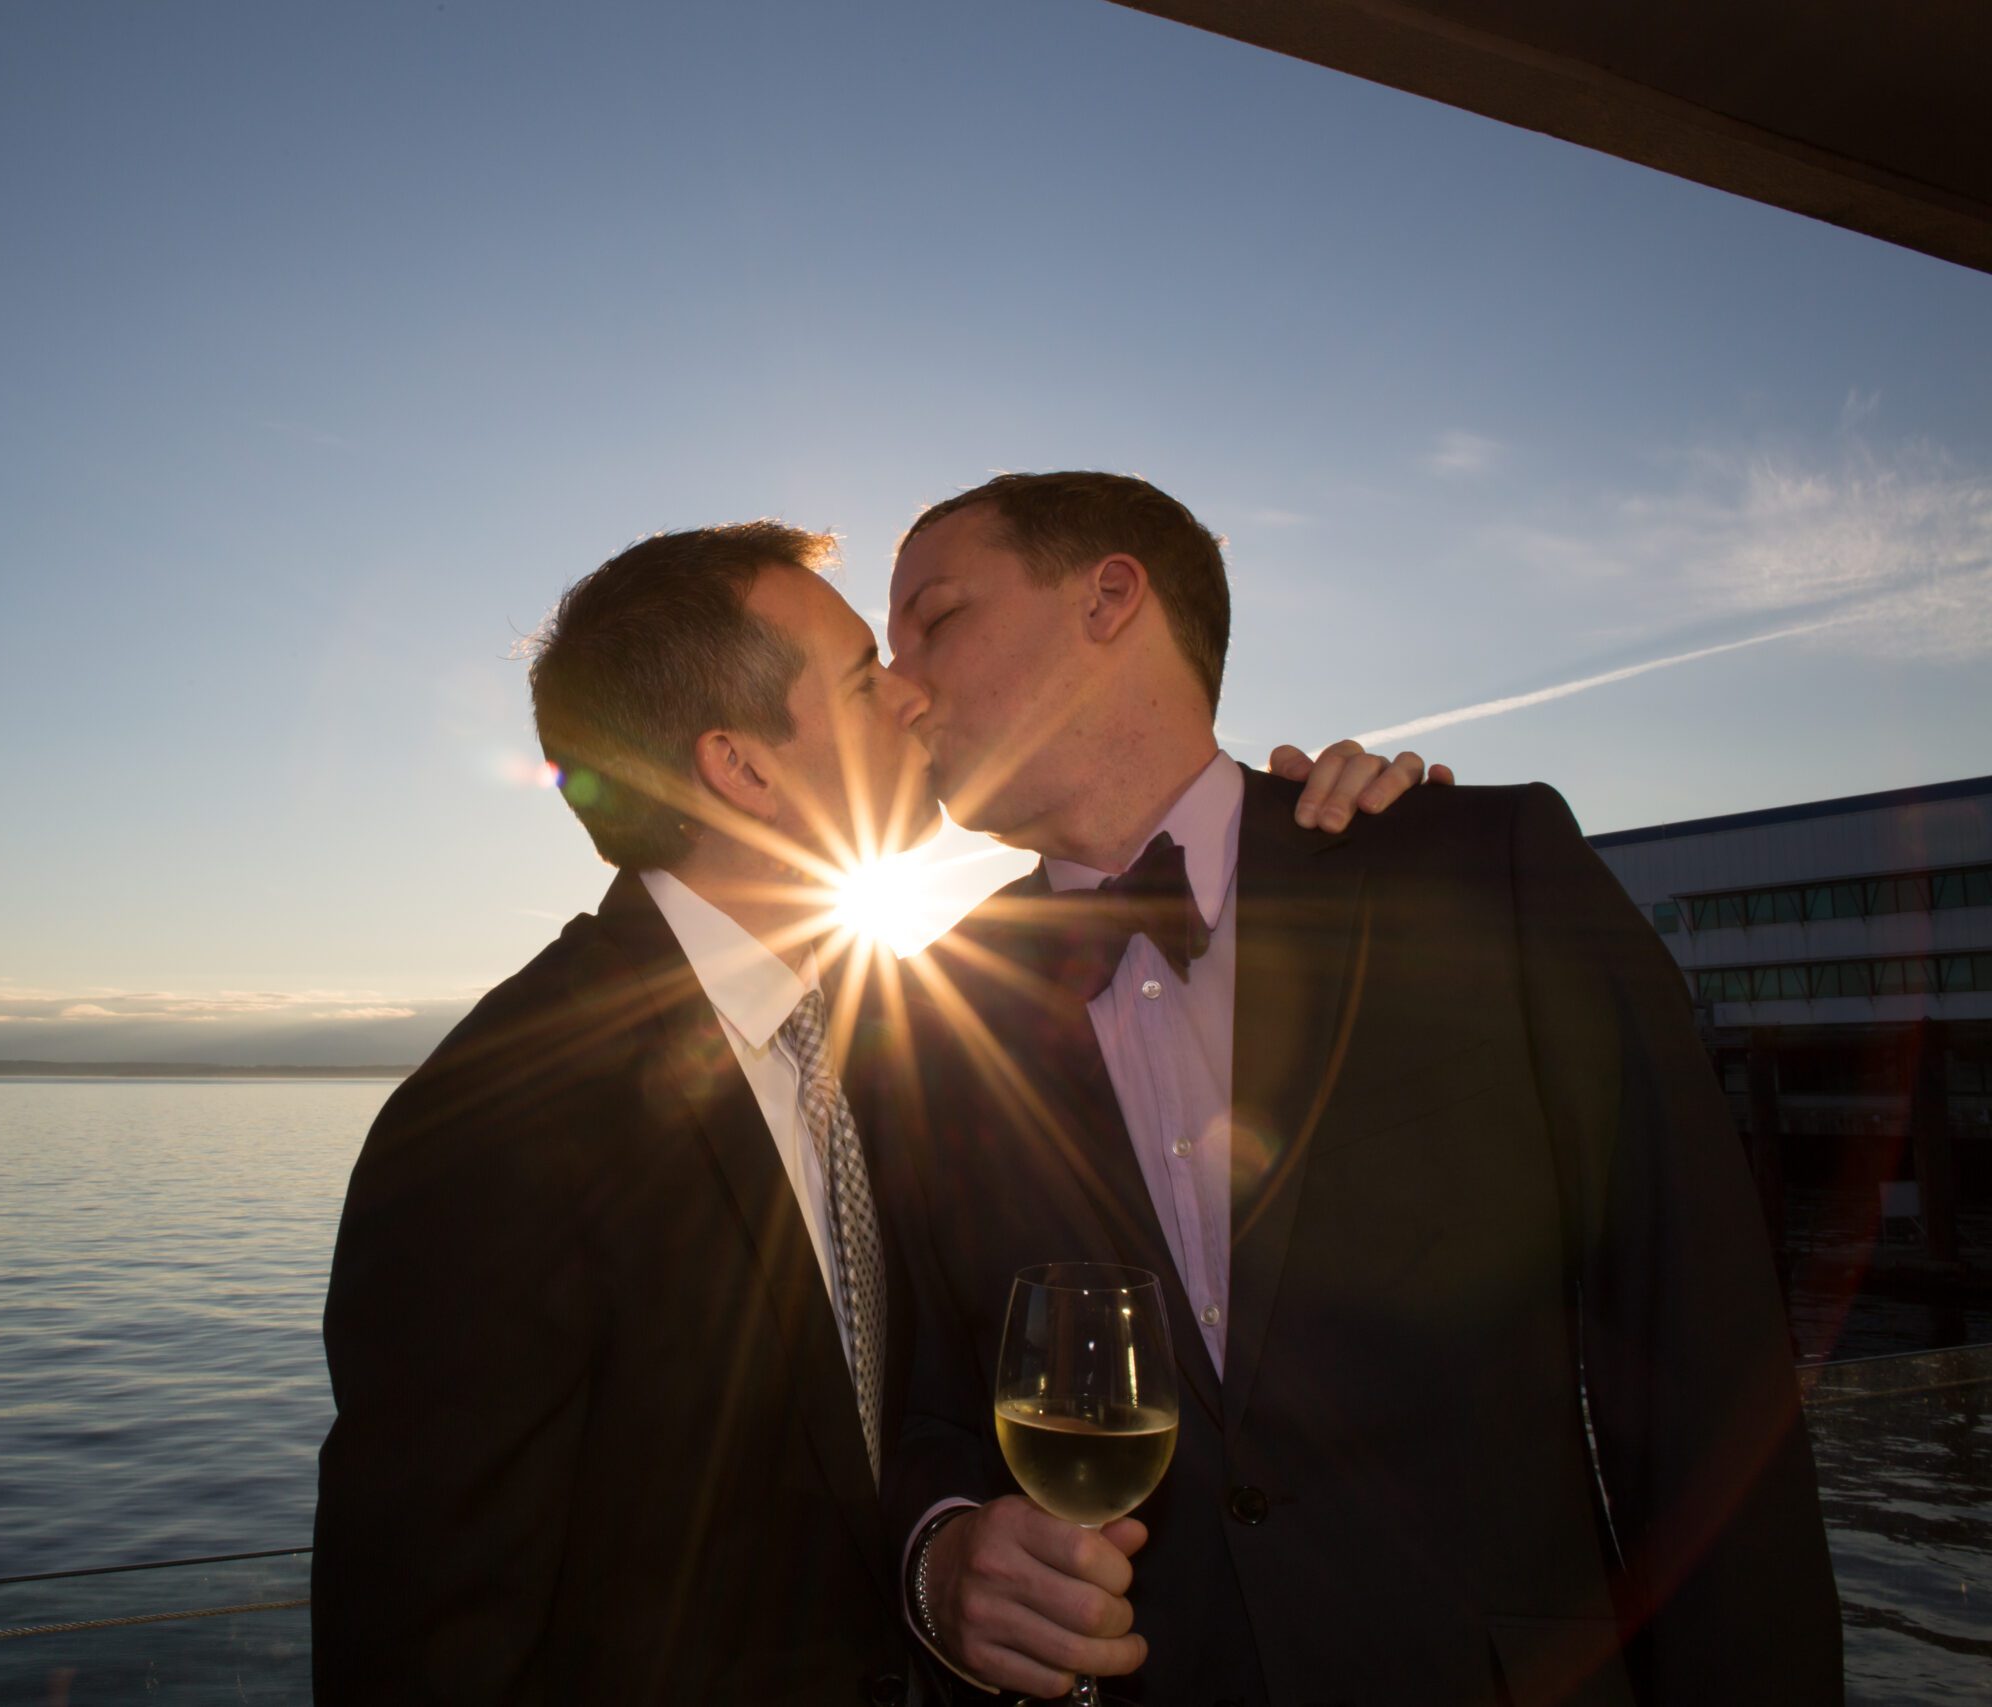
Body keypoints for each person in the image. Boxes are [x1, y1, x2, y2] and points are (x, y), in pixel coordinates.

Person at [311, 519, 1434, 1705]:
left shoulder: (892, 1030)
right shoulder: (500, 1121)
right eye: (860, 680)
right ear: (742, 768)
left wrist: (1338, 837)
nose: (910, 696)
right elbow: (423, 1644)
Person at [866, 472, 1840, 1705]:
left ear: (1110, 599)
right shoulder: (925, 1008)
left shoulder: (1480, 872)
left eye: (933, 620)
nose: (896, 685)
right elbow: (918, 1408)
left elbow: (1700, 1366)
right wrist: (940, 1557)